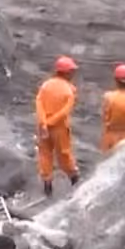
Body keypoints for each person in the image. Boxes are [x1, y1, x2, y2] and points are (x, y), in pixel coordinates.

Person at [36, 56, 80, 197]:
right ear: (67, 73)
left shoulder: (46, 85)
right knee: (64, 153)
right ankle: (74, 177)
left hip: (43, 127)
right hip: (59, 127)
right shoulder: (69, 91)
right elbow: (64, 112)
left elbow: (39, 104)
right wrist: (50, 123)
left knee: (45, 153)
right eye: (72, 71)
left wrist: (43, 123)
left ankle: (47, 183)